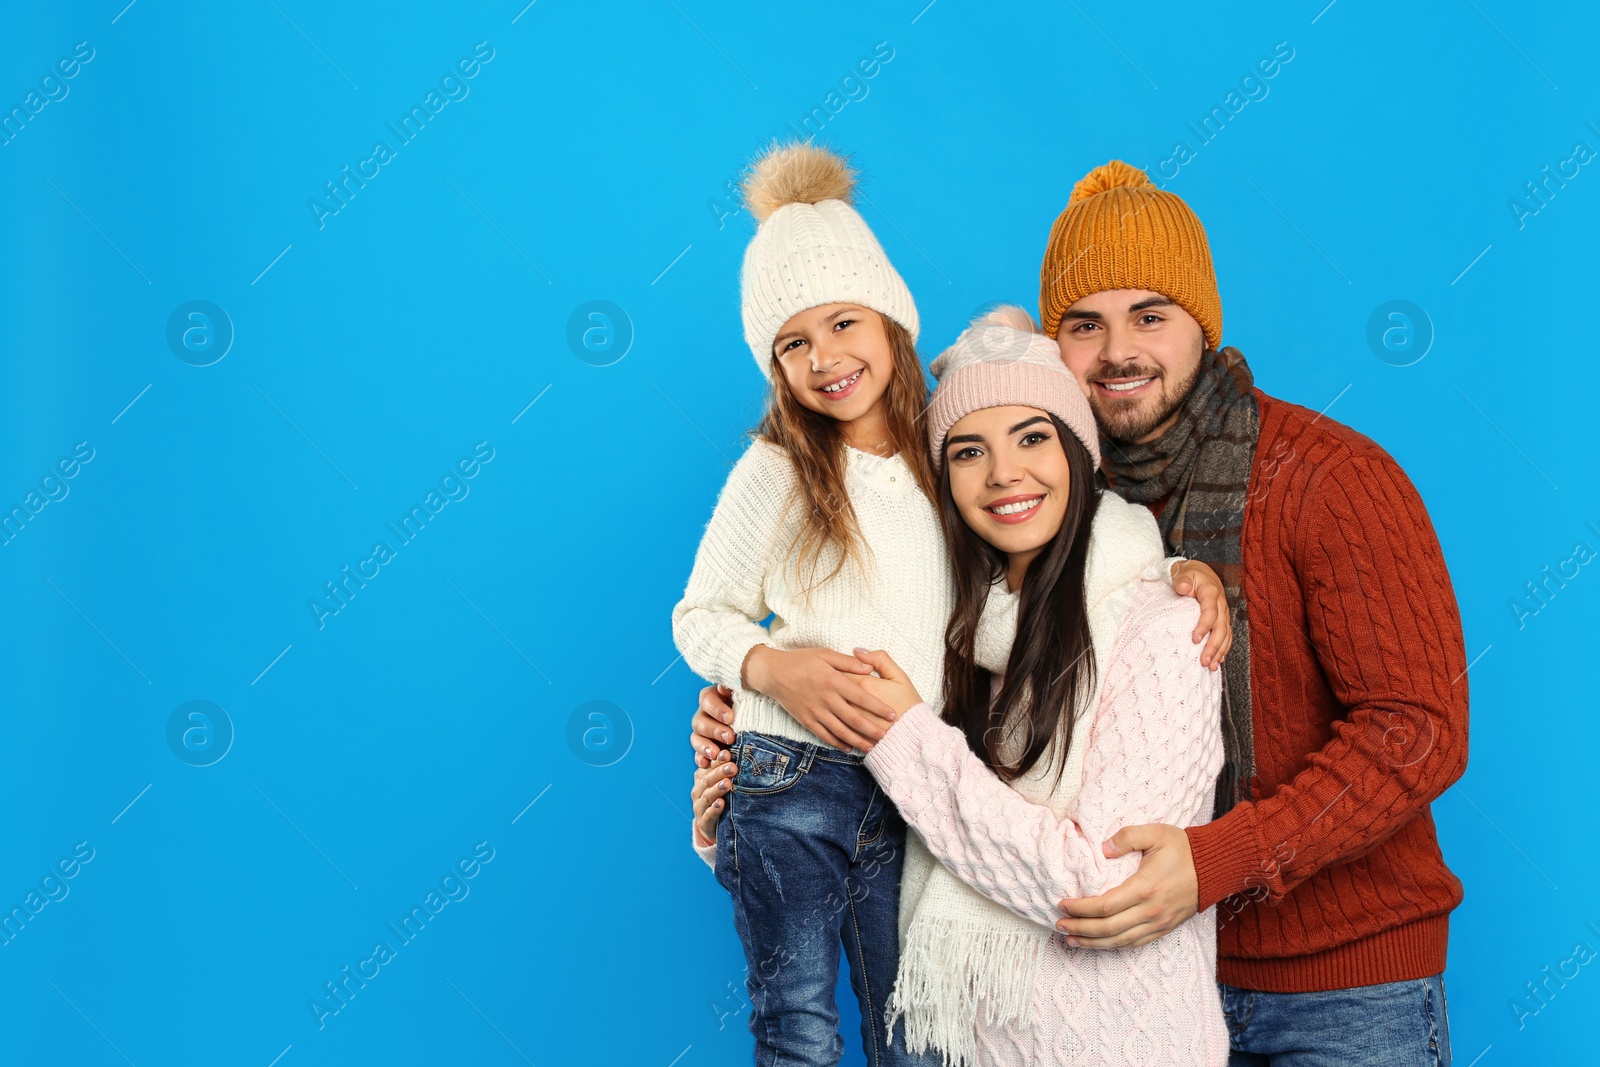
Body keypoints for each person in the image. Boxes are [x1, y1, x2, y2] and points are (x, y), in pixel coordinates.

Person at [695, 160, 1468, 1065]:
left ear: (1203, 325)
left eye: (1151, 315)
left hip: (1337, 985)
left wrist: (1220, 858)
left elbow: (1417, 729)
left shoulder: (1330, 481)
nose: (1118, 350)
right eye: (1083, 325)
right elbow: (888, 658)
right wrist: (762, 734)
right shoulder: (1028, 519)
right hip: (1114, 994)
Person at [673, 144, 1228, 1066]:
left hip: (1075, 1002)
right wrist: (761, 704)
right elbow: (716, 624)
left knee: (892, 1024)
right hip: (826, 817)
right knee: (804, 1027)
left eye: (844, 321)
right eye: (792, 343)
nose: (1003, 472)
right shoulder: (815, 500)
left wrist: (1174, 572)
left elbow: (1010, 637)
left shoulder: (1149, 612)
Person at [848, 307, 1230, 1063]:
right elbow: (854, 842)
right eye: (967, 451)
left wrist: (909, 738)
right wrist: (743, 796)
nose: (1003, 474)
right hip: (958, 1045)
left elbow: (1102, 883)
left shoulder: (1166, 629)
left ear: (1079, 452)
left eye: (1033, 436)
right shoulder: (944, 639)